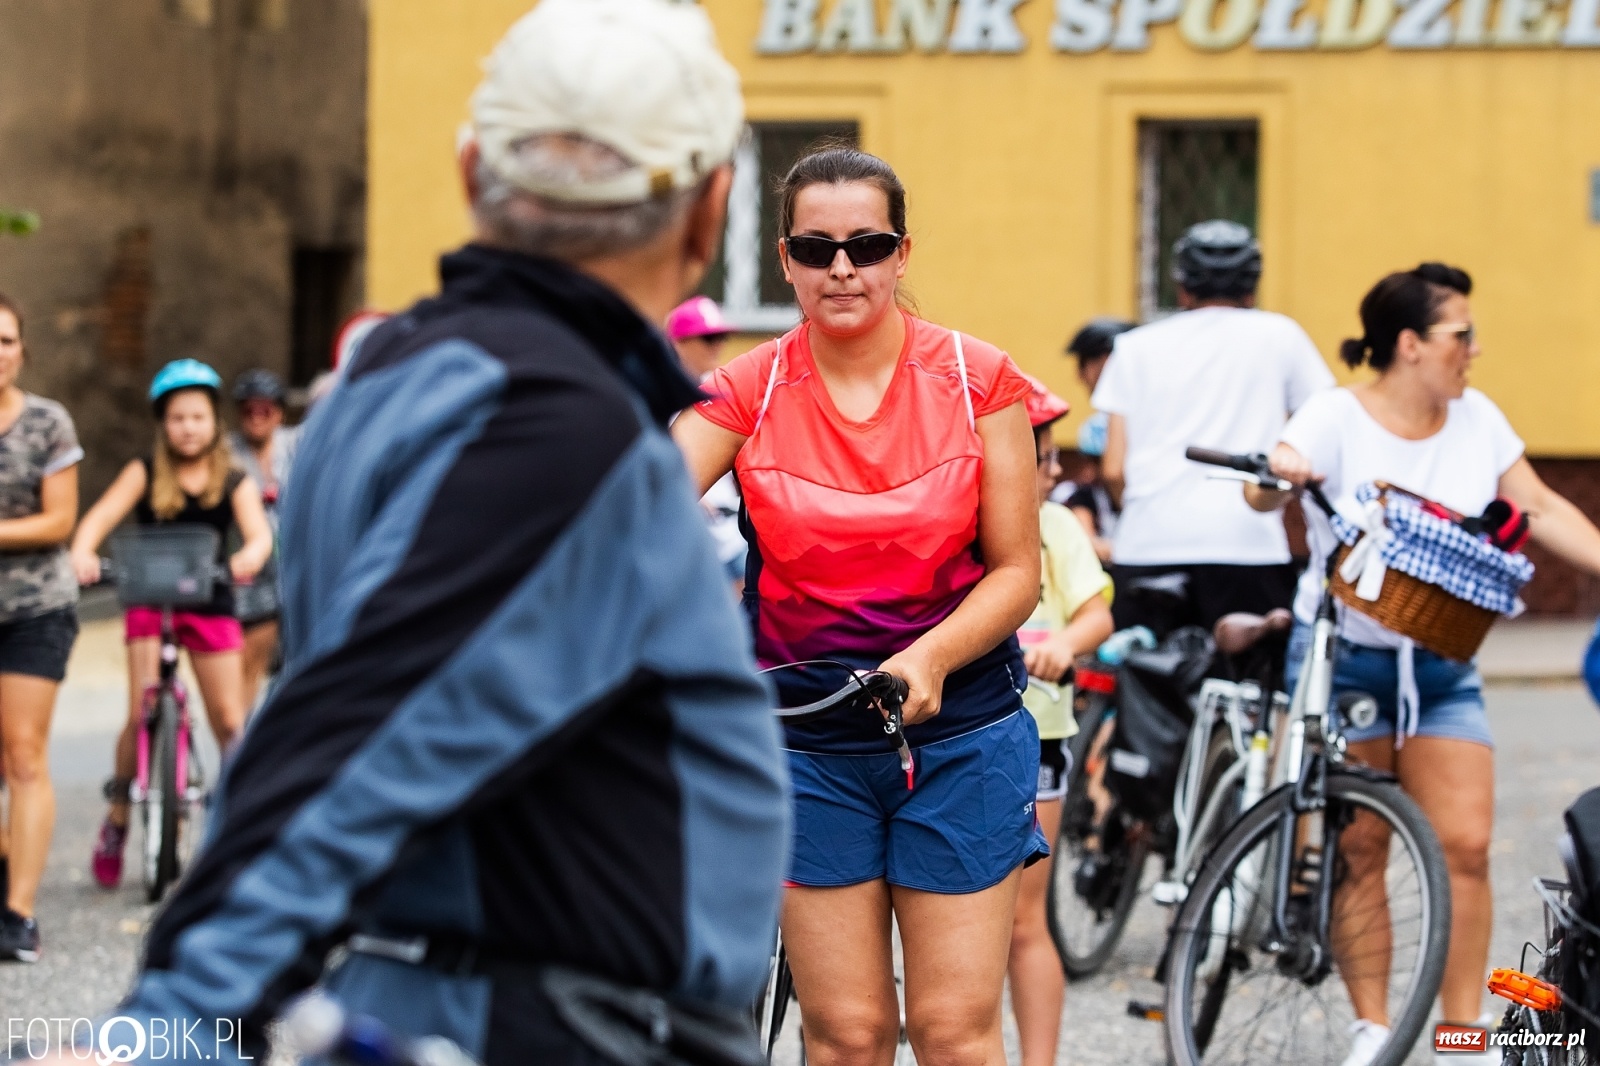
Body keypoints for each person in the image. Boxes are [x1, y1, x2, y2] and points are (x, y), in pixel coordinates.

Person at [96, 3, 785, 1063]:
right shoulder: (551, 425)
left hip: (444, 987)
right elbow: (353, 735)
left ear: (470, 174)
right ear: (711, 213)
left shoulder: (392, 373)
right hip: (546, 1022)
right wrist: (172, 1028)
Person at [675, 144, 1044, 1066]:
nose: (843, 267)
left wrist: (931, 657)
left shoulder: (976, 377)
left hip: (961, 733)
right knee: (846, 1035)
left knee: (955, 1035)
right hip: (806, 743)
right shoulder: (746, 389)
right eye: (817, 247)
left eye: (867, 244)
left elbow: (1017, 572)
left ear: (902, 253)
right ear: (786, 260)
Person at [1255, 263, 1600, 1066]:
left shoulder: (1477, 419)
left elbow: (1543, 506)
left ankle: (1460, 1035)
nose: (1473, 350)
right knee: (1361, 847)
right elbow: (1270, 481)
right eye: (1461, 335)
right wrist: (1280, 478)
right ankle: (1374, 1027)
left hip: (1442, 663)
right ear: (1409, 345)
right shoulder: (1338, 414)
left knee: (1468, 846)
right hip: (1347, 660)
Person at [69, 358, 272, 890]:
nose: (189, 427)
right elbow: (97, 519)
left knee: (230, 719)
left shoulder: (233, 478)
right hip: (152, 600)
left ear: (214, 423)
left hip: (211, 598)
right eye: (178, 418)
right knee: (140, 713)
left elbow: (258, 535)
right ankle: (117, 819)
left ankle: (244, 823)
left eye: (199, 417)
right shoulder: (143, 470)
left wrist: (250, 557)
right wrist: (85, 552)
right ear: (163, 423)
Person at [1091, 219, 1333, 637]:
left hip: (1148, 545)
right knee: (1249, 692)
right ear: (1251, 286)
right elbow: (1322, 424)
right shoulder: (1281, 336)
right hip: (1248, 547)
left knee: (1146, 690)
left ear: (1181, 286)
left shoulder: (1134, 347)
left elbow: (1114, 468)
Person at [1008, 377, 1114, 1066]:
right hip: (952, 733)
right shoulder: (958, 520)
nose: (1054, 471)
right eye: (1044, 457)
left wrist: (1063, 648)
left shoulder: (1056, 526)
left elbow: (1096, 613)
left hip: (1038, 735)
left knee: (1023, 917)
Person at [0, 292, 82, 962]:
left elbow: (59, 522)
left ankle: (17, 914)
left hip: (34, 610)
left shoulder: (48, 422)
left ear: (23, 348)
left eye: (5, 339)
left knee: (23, 753)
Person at [667, 295, 745, 585]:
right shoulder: (656, 392)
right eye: (707, 338)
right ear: (678, 342)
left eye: (721, 337)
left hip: (729, 534)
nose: (718, 346)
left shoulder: (724, 387)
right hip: (685, 541)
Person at [229, 368, 296, 708]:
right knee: (248, 666)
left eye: (264, 410)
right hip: (252, 577)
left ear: (279, 413)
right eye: (248, 411)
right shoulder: (226, 453)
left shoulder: (300, 444)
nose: (257, 418)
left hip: (298, 568)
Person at [1065, 412, 1117, 562]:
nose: (1089, 470)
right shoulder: (1084, 495)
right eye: (1089, 461)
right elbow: (1086, 541)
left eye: (1097, 461)